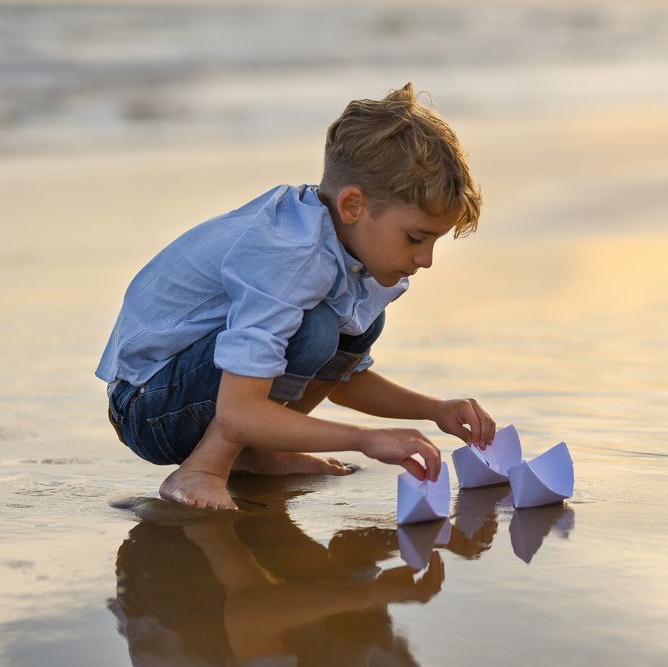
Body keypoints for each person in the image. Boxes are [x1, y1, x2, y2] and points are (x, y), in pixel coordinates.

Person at [97, 83, 496, 510]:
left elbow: (342, 381)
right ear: (353, 206)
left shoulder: (349, 255)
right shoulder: (291, 255)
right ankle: (205, 468)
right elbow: (238, 411)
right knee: (318, 327)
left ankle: (256, 452)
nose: (426, 259)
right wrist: (364, 440)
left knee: (356, 325)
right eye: (416, 238)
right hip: (149, 405)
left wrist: (434, 409)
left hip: (204, 395)